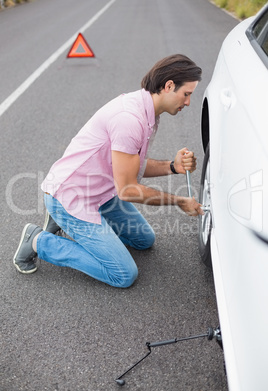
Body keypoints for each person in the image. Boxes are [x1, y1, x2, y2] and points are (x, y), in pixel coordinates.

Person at [13, 54, 204, 288]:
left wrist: (173, 167)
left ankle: (72, 226)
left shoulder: (149, 113)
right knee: (123, 274)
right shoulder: (130, 119)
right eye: (187, 94)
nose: (188, 103)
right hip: (72, 196)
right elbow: (128, 190)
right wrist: (177, 202)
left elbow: (133, 166)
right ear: (169, 86)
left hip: (102, 193)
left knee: (144, 240)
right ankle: (38, 241)